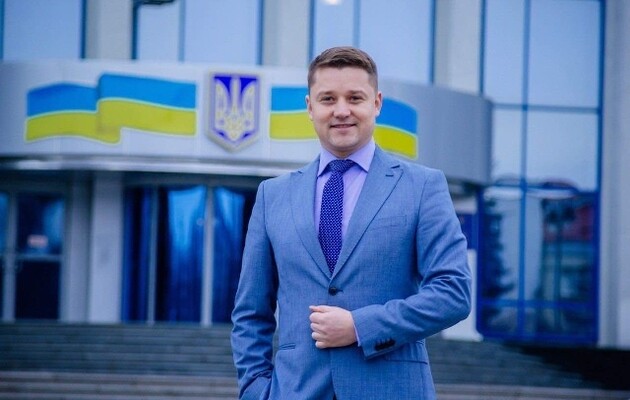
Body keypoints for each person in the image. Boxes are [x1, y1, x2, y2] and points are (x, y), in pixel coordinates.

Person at [231, 46, 471, 400]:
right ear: (310, 107)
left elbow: (453, 293)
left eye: (354, 98)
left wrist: (360, 326)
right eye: (328, 99)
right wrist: (255, 390)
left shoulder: (422, 187)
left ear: (376, 103)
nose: (341, 110)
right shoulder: (272, 196)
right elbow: (251, 313)